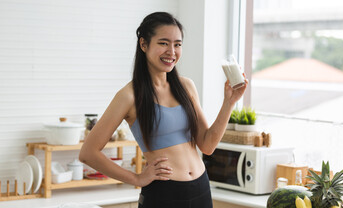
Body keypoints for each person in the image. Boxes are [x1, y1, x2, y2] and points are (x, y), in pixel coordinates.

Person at [79, 11, 248, 208]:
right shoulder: (129, 96)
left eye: (177, 44)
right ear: (144, 44)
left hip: (201, 189)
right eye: (163, 43)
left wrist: (229, 102)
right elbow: (88, 153)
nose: (172, 51)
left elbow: (207, 145)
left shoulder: (186, 86)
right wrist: (137, 178)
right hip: (164, 195)